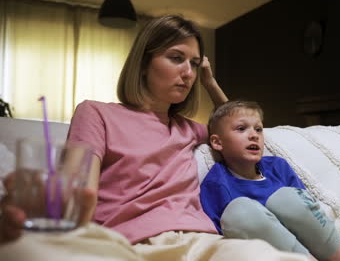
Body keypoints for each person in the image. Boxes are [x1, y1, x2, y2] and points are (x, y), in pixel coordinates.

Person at [0, 15, 310, 261]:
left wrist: (210, 82)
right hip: (122, 244)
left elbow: (234, 124)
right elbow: (77, 190)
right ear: (145, 62)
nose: (188, 73)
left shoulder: (190, 129)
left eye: (193, 63)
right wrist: (40, 205)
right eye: (176, 58)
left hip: (199, 242)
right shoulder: (96, 113)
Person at [200, 100, 340, 261]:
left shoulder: (278, 167)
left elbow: (309, 211)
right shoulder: (216, 184)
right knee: (239, 211)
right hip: (276, 254)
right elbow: (217, 237)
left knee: (286, 198)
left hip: (318, 246)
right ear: (217, 142)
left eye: (258, 129)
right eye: (241, 129)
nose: (253, 135)